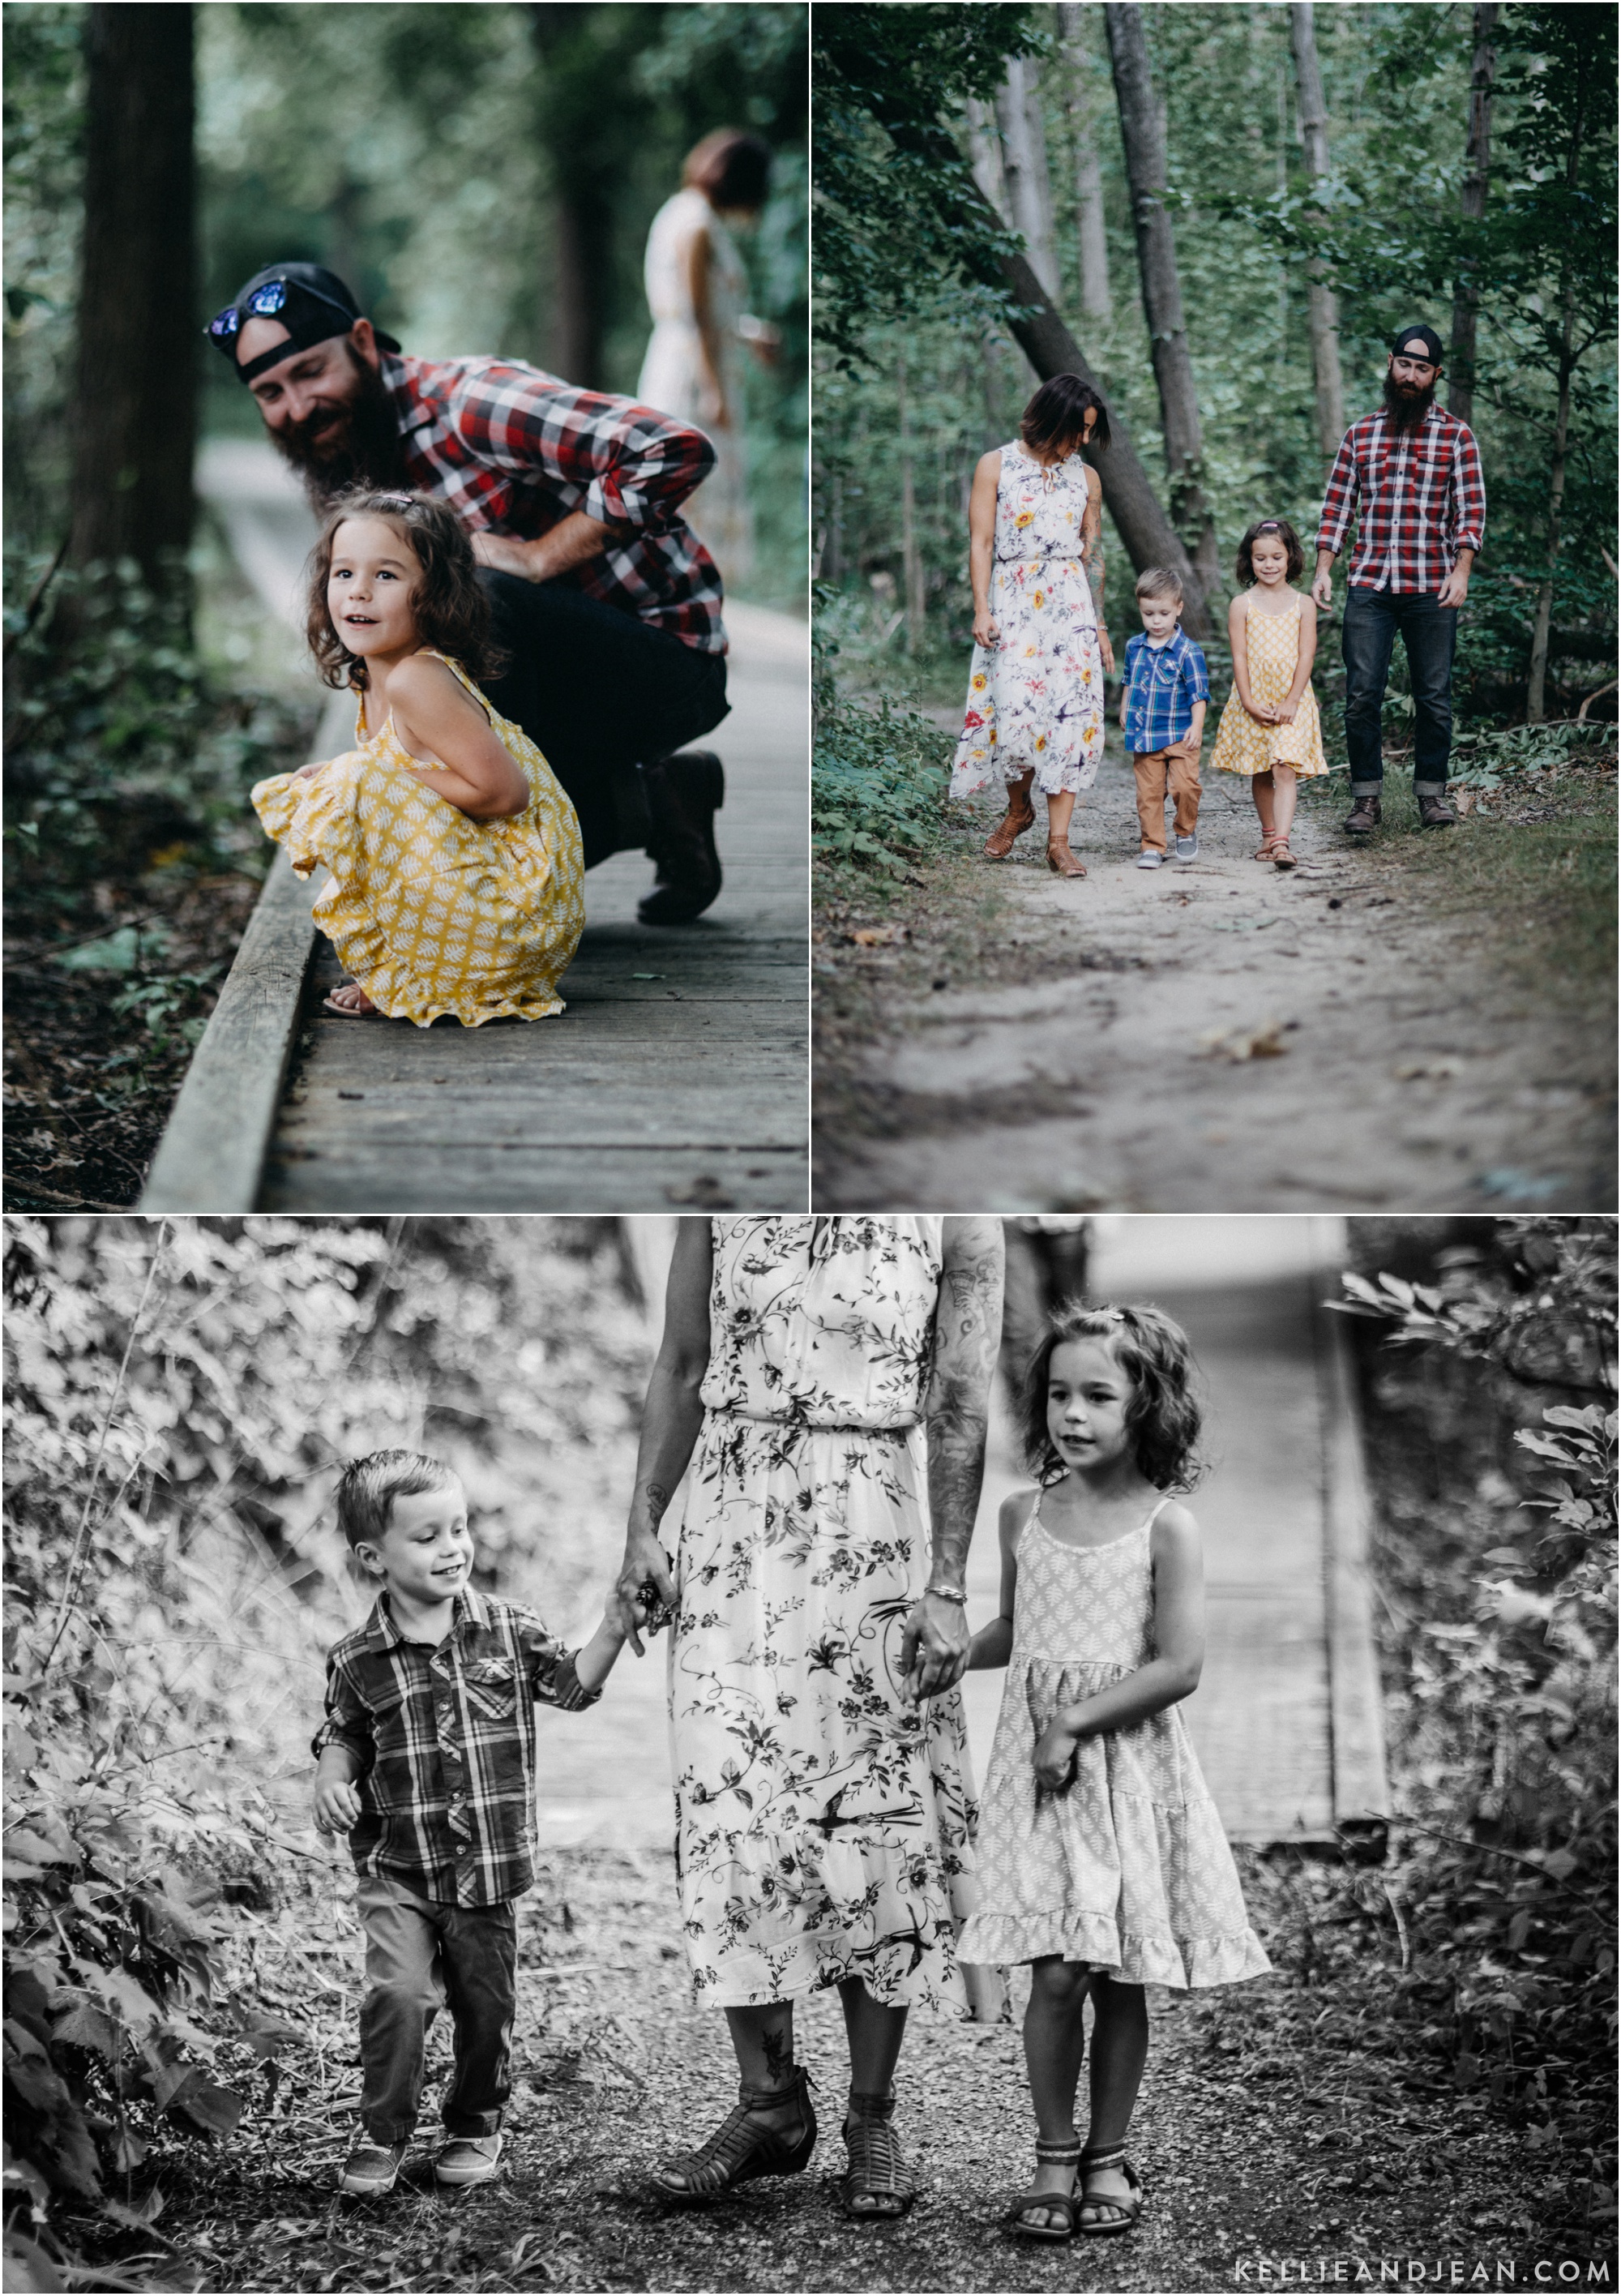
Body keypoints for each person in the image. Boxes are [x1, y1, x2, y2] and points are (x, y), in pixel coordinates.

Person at [611, 1215, 1003, 2219]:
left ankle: (872, 2116)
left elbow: (960, 1399)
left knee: (876, 1824)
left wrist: (949, 1582)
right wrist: (642, 1529)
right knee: (728, 1805)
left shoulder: (958, 1208)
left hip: (876, 1523)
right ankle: (769, 2102)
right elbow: (683, 1358)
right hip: (736, 1517)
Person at [207, 260, 729, 922]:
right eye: (271, 392)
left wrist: (541, 555)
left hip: (663, 666)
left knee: (482, 598)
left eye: (311, 372)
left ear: (365, 343)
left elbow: (674, 448)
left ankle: (468, 914)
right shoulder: (348, 457)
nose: (298, 408)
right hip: (540, 691)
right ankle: (658, 803)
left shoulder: (469, 404)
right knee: (439, 800)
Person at [959, 1304, 1270, 2242]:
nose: (1072, 1414)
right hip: (1044, 1784)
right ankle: (1053, 2157)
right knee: (1053, 1974)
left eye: (1098, 1394)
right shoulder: (1024, 1514)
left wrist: (1073, 1723)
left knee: (1116, 1972)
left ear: (1148, 1406)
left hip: (1122, 1772)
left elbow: (1177, 1666)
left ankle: (1107, 2154)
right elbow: (1018, 1632)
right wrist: (949, 1654)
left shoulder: (1165, 1529)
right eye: (1058, 1394)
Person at [311, 1450, 631, 2196]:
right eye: (426, 1537)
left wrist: (614, 1627)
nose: (452, 1547)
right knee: (400, 1995)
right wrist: (331, 1775)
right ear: (373, 1557)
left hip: (485, 1868)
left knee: (486, 2005)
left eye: (459, 1528)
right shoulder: (358, 1658)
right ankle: (382, 2133)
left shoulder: (508, 1630)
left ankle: (474, 2121)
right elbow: (345, 1731)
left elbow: (572, 1685)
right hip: (400, 1866)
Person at [252, 490, 584, 1026]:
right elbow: (413, 810)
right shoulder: (373, 676)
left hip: (517, 922)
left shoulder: (417, 678)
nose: (358, 592)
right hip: (486, 916)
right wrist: (352, 776)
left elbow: (506, 794)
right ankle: (408, 972)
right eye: (343, 574)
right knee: (339, 783)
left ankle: (419, 973)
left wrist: (377, 775)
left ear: (433, 594)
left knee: (356, 780)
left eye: (386, 576)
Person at [1311, 324, 1487, 837]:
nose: (1411, 376)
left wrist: (1462, 571)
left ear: (1436, 375)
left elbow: (1470, 510)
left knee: (1434, 695)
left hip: (1433, 586)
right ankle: (1366, 800)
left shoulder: (1456, 436)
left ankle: (1432, 796)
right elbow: (1337, 506)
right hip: (1370, 585)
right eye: (1404, 365)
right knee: (1362, 694)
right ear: (1391, 364)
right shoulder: (1360, 434)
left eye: (1422, 368)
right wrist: (1323, 568)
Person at [951, 375, 1116, 880]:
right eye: (1079, 428)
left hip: (1070, 605)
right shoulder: (996, 466)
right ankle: (1019, 810)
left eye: (1090, 431)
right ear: (1053, 418)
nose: (1084, 440)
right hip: (1014, 600)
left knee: (1070, 719)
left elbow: (1095, 556)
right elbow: (980, 543)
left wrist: (1102, 625)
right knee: (1017, 716)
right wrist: (982, 609)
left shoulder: (1086, 479)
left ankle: (1059, 842)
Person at [637, 129, 780, 591]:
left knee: (693, 490)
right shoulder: (696, 223)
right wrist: (714, 387)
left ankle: (687, 601)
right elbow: (694, 315)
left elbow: (707, 311)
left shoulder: (684, 213)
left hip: (690, 360)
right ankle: (680, 602)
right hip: (692, 373)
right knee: (693, 487)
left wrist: (747, 332)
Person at [1209, 519, 1328, 872]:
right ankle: (1268, 833)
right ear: (1250, 560)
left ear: (1291, 557)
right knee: (1262, 769)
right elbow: (1240, 656)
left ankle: (1281, 843)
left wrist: (1292, 699)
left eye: (1277, 556)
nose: (1269, 565)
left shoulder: (1304, 604)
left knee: (1284, 767)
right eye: (1261, 558)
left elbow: (1307, 655)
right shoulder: (1241, 604)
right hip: (1255, 695)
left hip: (1293, 697)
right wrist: (1247, 700)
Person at [1118, 568, 1209, 872]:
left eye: (1163, 613)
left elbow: (1199, 694)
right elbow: (1129, 681)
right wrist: (1124, 709)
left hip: (1181, 734)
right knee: (1148, 795)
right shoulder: (1134, 646)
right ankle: (1152, 845)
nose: (1156, 621)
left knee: (1185, 787)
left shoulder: (1188, 652)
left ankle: (1185, 831)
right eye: (1149, 614)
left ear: (1179, 609)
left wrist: (1197, 727)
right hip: (1145, 734)